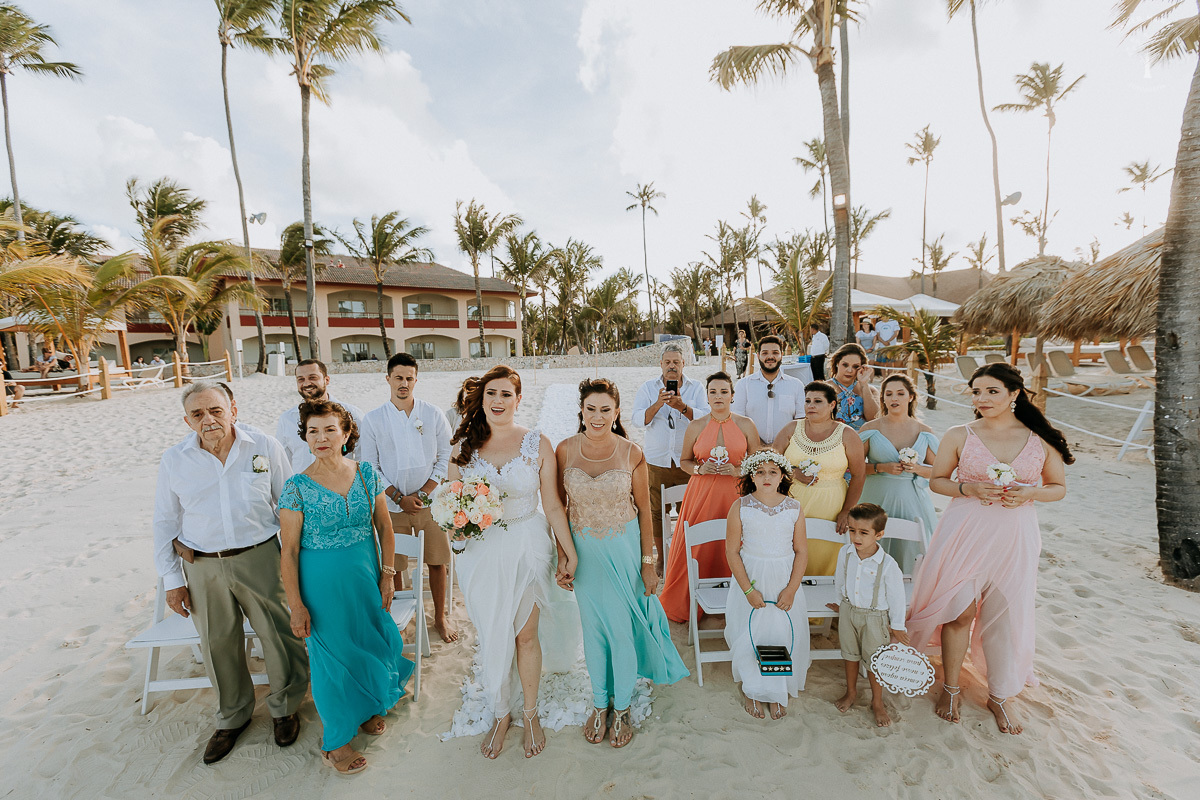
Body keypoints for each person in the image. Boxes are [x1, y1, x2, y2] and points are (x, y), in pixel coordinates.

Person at [907, 362, 1072, 735]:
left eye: (992, 391)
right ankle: (950, 688)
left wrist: (1031, 492)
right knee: (959, 611)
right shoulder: (958, 433)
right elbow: (937, 481)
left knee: (1003, 615)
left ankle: (998, 695)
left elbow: (1058, 487)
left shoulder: (1040, 437)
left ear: (1014, 394)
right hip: (965, 530)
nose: (982, 399)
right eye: (976, 392)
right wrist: (968, 488)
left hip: (1015, 535)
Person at [152, 381, 309, 765]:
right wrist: (173, 582)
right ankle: (232, 716)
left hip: (259, 557)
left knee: (279, 635)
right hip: (202, 566)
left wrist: (296, 562)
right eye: (198, 414)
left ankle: (285, 707)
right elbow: (164, 523)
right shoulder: (175, 460)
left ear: (233, 409)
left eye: (216, 410)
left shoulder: (265, 446)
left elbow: (287, 505)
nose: (208, 420)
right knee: (217, 643)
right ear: (187, 421)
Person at [448, 366, 579, 759]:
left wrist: (569, 552)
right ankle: (501, 712)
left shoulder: (536, 444)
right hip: (481, 553)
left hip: (527, 546)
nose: (498, 401)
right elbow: (452, 506)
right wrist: (455, 534)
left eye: (507, 394)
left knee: (525, 635)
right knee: (493, 635)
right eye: (492, 393)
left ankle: (530, 712)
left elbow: (553, 504)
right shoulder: (462, 447)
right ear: (482, 398)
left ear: (519, 400)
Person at [278, 400, 413, 775]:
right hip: (321, 584)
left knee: (368, 641)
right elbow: (288, 552)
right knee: (332, 659)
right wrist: (296, 605)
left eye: (329, 429)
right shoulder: (296, 487)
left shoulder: (367, 473)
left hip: (366, 574)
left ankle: (367, 707)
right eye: (312, 431)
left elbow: (385, 528)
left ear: (346, 433)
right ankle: (336, 742)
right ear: (304, 438)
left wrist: (387, 575)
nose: (320, 438)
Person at [556, 379, 688, 748]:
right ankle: (600, 705)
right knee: (593, 630)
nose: (597, 417)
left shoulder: (632, 453)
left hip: (625, 551)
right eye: (591, 409)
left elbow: (646, 511)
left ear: (616, 413)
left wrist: (649, 563)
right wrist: (564, 556)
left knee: (621, 629)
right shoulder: (564, 451)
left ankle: (623, 707)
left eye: (605, 410)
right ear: (581, 410)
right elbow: (560, 511)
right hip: (584, 555)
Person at [359, 353, 456, 642]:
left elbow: (445, 456)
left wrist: (424, 493)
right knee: (395, 565)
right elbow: (370, 466)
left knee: (437, 561)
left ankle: (440, 616)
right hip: (391, 505)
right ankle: (402, 620)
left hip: (430, 503)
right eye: (398, 377)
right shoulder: (374, 419)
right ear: (387, 379)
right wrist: (398, 496)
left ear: (416, 380)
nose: (404, 383)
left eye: (409, 378)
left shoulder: (432, 413)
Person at [660, 371, 761, 623]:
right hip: (701, 495)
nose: (718, 396)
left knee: (736, 545)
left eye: (723, 391)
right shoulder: (695, 426)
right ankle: (692, 601)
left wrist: (739, 471)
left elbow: (759, 463)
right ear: (706, 396)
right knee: (699, 546)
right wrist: (699, 469)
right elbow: (684, 461)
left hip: (736, 495)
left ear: (732, 396)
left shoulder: (746, 424)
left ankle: (737, 600)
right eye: (713, 392)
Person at [724, 449, 809, 721]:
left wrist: (792, 588)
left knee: (779, 634)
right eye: (760, 472)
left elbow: (802, 551)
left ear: (783, 475)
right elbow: (731, 552)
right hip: (752, 575)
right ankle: (753, 689)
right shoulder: (740, 506)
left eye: (773, 472)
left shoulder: (793, 508)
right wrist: (748, 589)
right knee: (751, 634)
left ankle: (775, 691)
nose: (767, 477)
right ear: (751, 475)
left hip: (783, 576)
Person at [825, 503, 910, 727]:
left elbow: (896, 597)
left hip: (875, 618)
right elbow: (840, 578)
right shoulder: (846, 553)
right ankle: (851, 692)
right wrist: (841, 602)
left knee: (875, 662)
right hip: (848, 612)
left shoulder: (888, 565)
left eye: (864, 532)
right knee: (850, 655)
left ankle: (878, 702)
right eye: (852, 530)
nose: (856, 537)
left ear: (879, 535)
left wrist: (898, 625)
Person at [630, 342, 710, 573]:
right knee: (656, 512)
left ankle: (686, 558)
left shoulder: (696, 388)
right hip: (657, 461)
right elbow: (637, 420)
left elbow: (705, 418)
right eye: (667, 362)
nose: (672, 366)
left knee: (690, 511)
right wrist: (658, 404)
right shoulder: (648, 388)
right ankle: (662, 560)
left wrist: (682, 407)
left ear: (684, 364)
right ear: (661, 365)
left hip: (688, 461)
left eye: (676, 362)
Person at [772, 382, 866, 575]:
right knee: (791, 554)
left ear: (832, 405)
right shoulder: (791, 428)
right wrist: (792, 472)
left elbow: (858, 475)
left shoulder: (847, 434)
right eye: (807, 401)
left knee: (826, 555)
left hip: (831, 506)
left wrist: (847, 510)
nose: (810, 406)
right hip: (792, 503)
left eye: (817, 401)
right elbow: (771, 464)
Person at [857, 374, 940, 573]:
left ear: (910, 397)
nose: (894, 398)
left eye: (900, 393)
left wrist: (917, 469)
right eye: (889, 394)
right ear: (883, 398)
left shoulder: (924, 431)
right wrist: (880, 468)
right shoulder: (870, 428)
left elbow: (938, 472)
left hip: (912, 501)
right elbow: (854, 468)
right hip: (875, 498)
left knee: (911, 553)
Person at [276, 359, 363, 472]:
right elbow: (282, 463)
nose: (306, 383)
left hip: (344, 485)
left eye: (313, 377)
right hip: (302, 486)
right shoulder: (287, 419)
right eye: (301, 379)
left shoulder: (353, 414)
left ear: (326, 380)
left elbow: (363, 456)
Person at [732, 334, 805, 444]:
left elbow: (800, 421)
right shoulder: (743, 385)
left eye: (775, 353)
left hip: (787, 448)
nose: (770, 357)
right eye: (765, 353)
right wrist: (758, 445)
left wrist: (780, 445)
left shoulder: (796, 385)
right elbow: (738, 421)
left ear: (782, 355)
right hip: (751, 449)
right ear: (758, 356)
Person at [828, 343, 879, 431]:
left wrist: (864, 384)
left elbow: (874, 419)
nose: (849, 370)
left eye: (855, 366)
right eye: (845, 365)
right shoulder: (824, 388)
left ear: (862, 367)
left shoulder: (870, 390)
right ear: (837, 363)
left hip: (864, 439)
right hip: (833, 439)